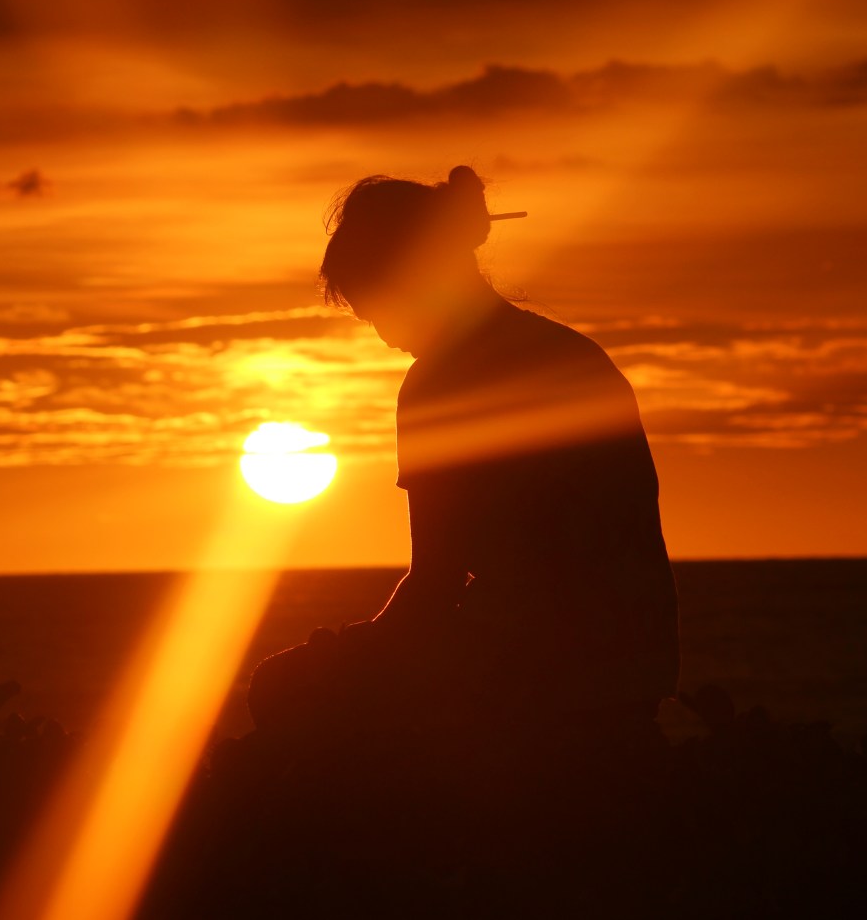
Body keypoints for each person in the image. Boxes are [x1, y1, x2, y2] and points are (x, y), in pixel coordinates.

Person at [249, 166, 678, 739]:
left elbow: (435, 582)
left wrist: (348, 651)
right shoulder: (570, 353)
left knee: (284, 687)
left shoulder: (438, 385)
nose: (384, 334)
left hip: (539, 673)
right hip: (634, 663)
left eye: (378, 307)